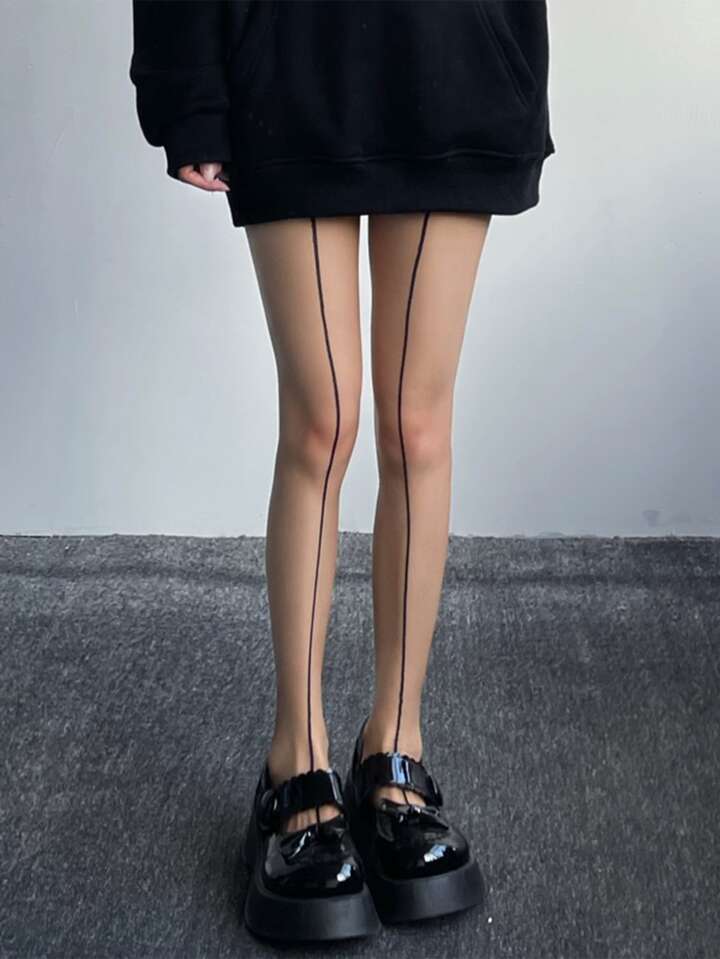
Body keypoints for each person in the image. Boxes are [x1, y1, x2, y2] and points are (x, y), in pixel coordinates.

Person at [130, 0, 555, 942]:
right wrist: (186, 89)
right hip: (290, 63)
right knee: (322, 425)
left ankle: (394, 749)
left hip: (455, 60)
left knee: (417, 428)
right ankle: (297, 760)